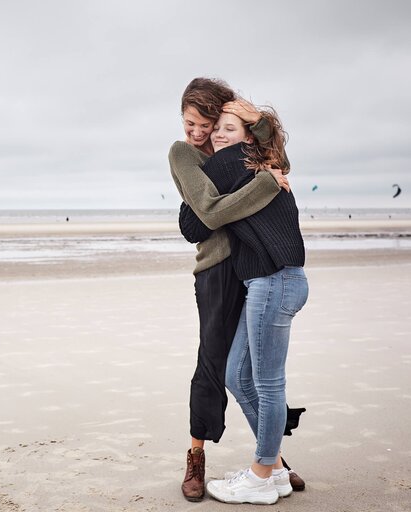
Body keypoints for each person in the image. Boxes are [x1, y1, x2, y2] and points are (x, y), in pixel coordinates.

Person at [169, 78, 305, 502]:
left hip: (255, 266)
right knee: (213, 361)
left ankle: (270, 463)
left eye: (204, 124)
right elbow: (202, 218)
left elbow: (269, 146)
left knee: (249, 372)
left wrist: (257, 124)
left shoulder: (235, 147)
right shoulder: (185, 154)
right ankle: (197, 455)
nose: (196, 132)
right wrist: (267, 182)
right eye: (188, 122)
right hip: (217, 269)